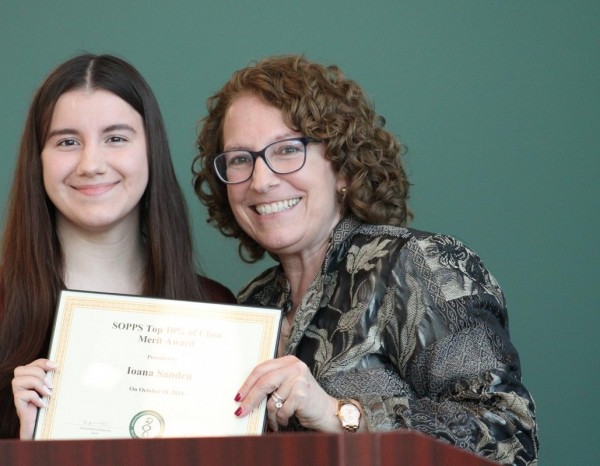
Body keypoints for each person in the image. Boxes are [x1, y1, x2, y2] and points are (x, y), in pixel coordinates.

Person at [192, 55, 538, 465]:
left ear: (341, 167)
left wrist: (338, 414)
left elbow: (511, 438)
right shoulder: (251, 305)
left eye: (287, 150)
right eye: (240, 159)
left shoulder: (416, 267)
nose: (261, 180)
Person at [0, 53, 235, 465]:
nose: (91, 164)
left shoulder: (214, 314)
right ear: (38, 160)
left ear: (152, 152)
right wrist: (28, 453)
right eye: (67, 141)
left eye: (116, 138)